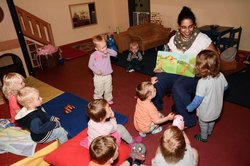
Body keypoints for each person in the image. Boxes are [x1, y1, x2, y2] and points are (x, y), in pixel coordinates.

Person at [152, 6, 218, 128]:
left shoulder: (202, 39)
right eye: (183, 27)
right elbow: (170, 61)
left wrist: (201, 65)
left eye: (190, 26)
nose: (187, 31)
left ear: (194, 25)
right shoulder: (173, 40)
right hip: (178, 71)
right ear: (179, 26)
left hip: (196, 74)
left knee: (178, 87)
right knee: (158, 79)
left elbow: (216, 56)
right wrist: (162, 67)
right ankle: (155, 110)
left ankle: (188, 120)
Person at [186, 50, 228, 142]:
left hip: (205, 110)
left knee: (203, 123)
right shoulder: (221, 75)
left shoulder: (202, 82)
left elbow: (198, 99)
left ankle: (203, 137)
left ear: (202, 67)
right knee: (212, 121)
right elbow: (225, 87)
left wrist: (190, 107)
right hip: (217, 108)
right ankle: (209, 132)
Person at [88, 35, 117, 105]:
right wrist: (96, 71)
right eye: (102, 48)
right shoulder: (93, 55)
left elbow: (115, 54)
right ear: (96, 48)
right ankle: (98, 101)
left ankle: (108, 99)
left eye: (105, 46)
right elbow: (90, 65)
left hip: (108, 75)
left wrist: (108, 50)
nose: (104, 49)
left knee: (108, 88)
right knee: (99, 90)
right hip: (99, 77)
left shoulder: (107, 52)